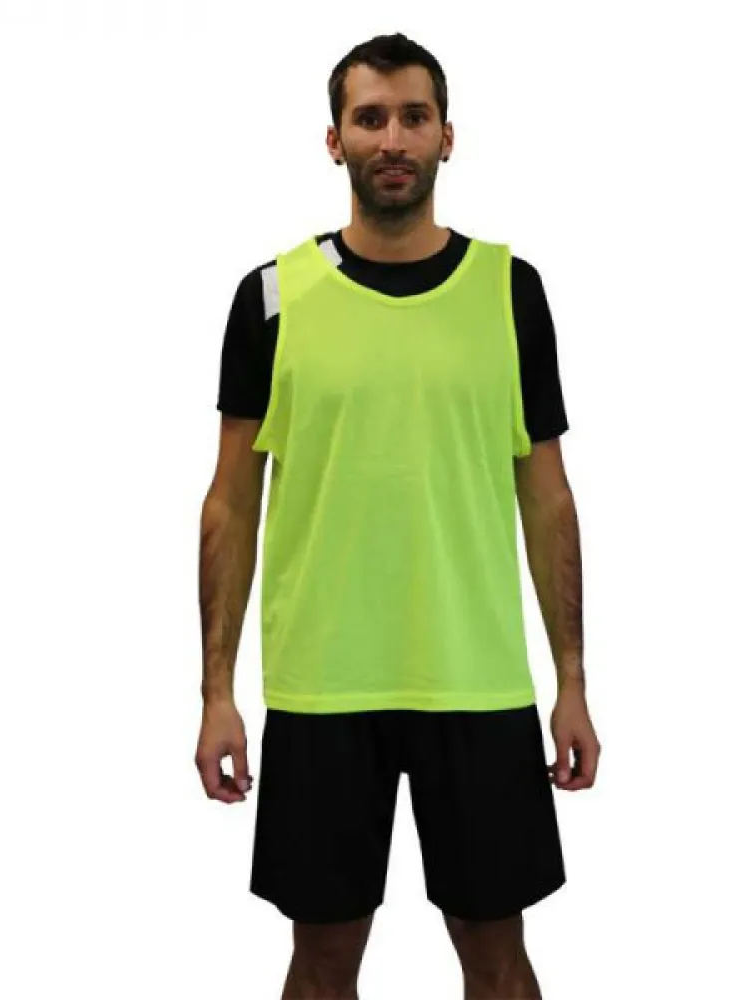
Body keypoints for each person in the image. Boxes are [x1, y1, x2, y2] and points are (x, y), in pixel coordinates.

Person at [196, 32, 601, 1000]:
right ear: (333, 139)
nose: (392, 138)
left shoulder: (510, 290)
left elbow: (547, 495)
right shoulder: (271, 297)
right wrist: (216, 690)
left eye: (413, 117)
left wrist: (573, 680)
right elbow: (230, 503)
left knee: (496, 954)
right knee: (323, 958)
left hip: (478, 679)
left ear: (446, 136)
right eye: (369, 117)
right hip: (322, 687)